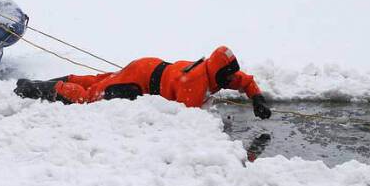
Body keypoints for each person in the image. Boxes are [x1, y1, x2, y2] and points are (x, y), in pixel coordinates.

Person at [14, 46, 272, 119]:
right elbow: (188, 120)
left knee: (100, 80)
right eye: (227, 75)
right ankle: (33, 88)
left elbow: (243, 81)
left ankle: (52, 81)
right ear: (218, 71)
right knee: (90, 96)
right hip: (139, 81)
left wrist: (257, 97)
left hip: (148, 67)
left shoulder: (214, 71)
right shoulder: (194, 82)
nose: (230, 80)